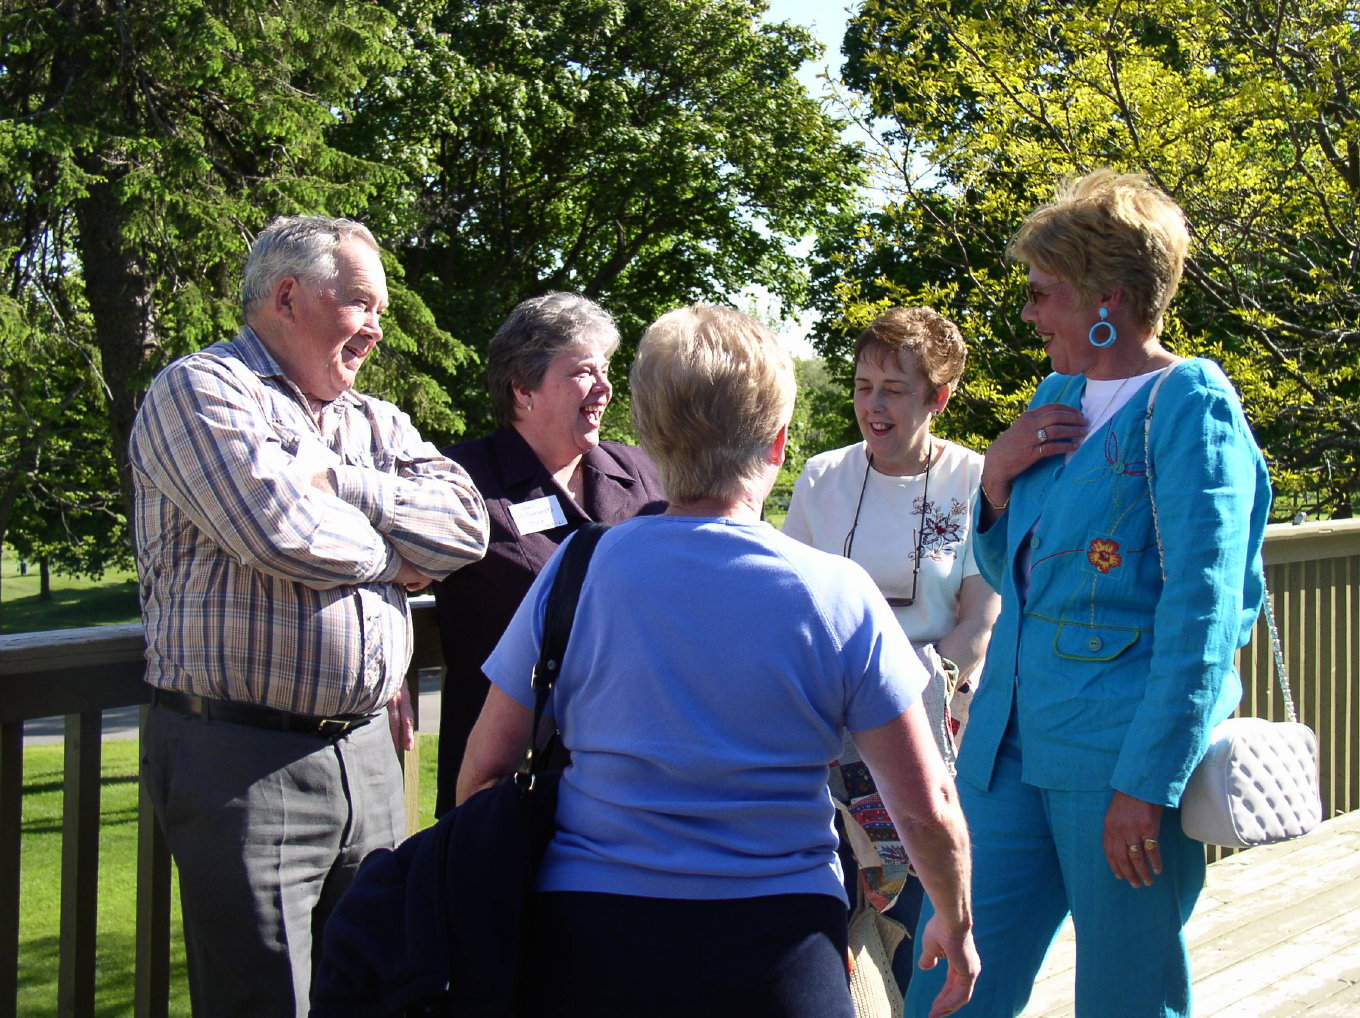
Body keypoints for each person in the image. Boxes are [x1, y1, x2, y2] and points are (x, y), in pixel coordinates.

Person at [458, 304, 979, 1018]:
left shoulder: (577, 572)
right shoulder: (836, 594)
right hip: (778, 946)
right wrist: (953, 919)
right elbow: (924, 808)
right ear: (778, 442)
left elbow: (484, 770)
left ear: (647, 434)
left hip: (589, 939)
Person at [905, 170, 1272, 1018]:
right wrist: (993, 482)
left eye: (1043, 295)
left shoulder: (1189, 406)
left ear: (1107, 296)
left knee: (1125, 996)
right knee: (947, 982)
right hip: (1004, 746)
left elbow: (1205, 615)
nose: (1030, 315)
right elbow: (1010, 578)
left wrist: (1148, 781)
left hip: (1118, 762)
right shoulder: (1056, 396)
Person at [129, 215, 489, 1018]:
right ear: (288, 295)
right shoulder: (202, 390)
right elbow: (278, 531)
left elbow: (468, 525)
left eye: (382, 311)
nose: (376, 329)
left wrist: (349, 486)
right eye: (362, 304)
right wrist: (395, 560)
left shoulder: (376, 420)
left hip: (369, 753)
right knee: (266, 1000)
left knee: (378, 985)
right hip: (242, 757)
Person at [782, 306, 999, 986]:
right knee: (841, 924)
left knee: (920, 924)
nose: (871, 405)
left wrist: (927, 708)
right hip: (830, 738)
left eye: (893, 390)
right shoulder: (823, 475)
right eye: (862, 386)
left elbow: (979, 617)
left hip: (930, 730)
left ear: (939, 396)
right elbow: (793, 601)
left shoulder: (976, 480)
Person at [431, 293, 666, 815]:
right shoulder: (459, 480)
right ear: (523, 389)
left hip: (631, 771)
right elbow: (396, 575)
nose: (605, 388)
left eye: (606, 370)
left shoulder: (647, 473)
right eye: (584, 372)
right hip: (502, 779)